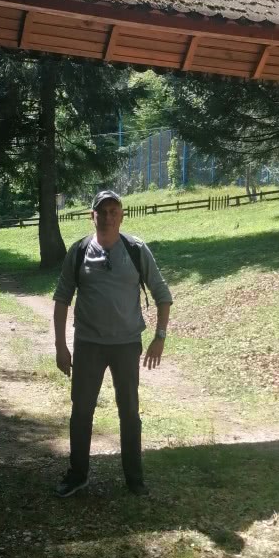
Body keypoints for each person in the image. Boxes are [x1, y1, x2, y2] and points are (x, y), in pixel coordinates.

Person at [52, 190, 173, 497]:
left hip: (126, 345)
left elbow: (162, 295)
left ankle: (134, 478)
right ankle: (77, 474)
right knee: (81, 411)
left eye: (113, 212)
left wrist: (159, 337)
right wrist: (60, 346)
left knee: (129, 412)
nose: (108, 217)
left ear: (121, 216)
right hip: (88, 344)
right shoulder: (79, 251)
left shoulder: (136, 250)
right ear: (92, 216)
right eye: (102, 212)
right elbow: (62, 299)